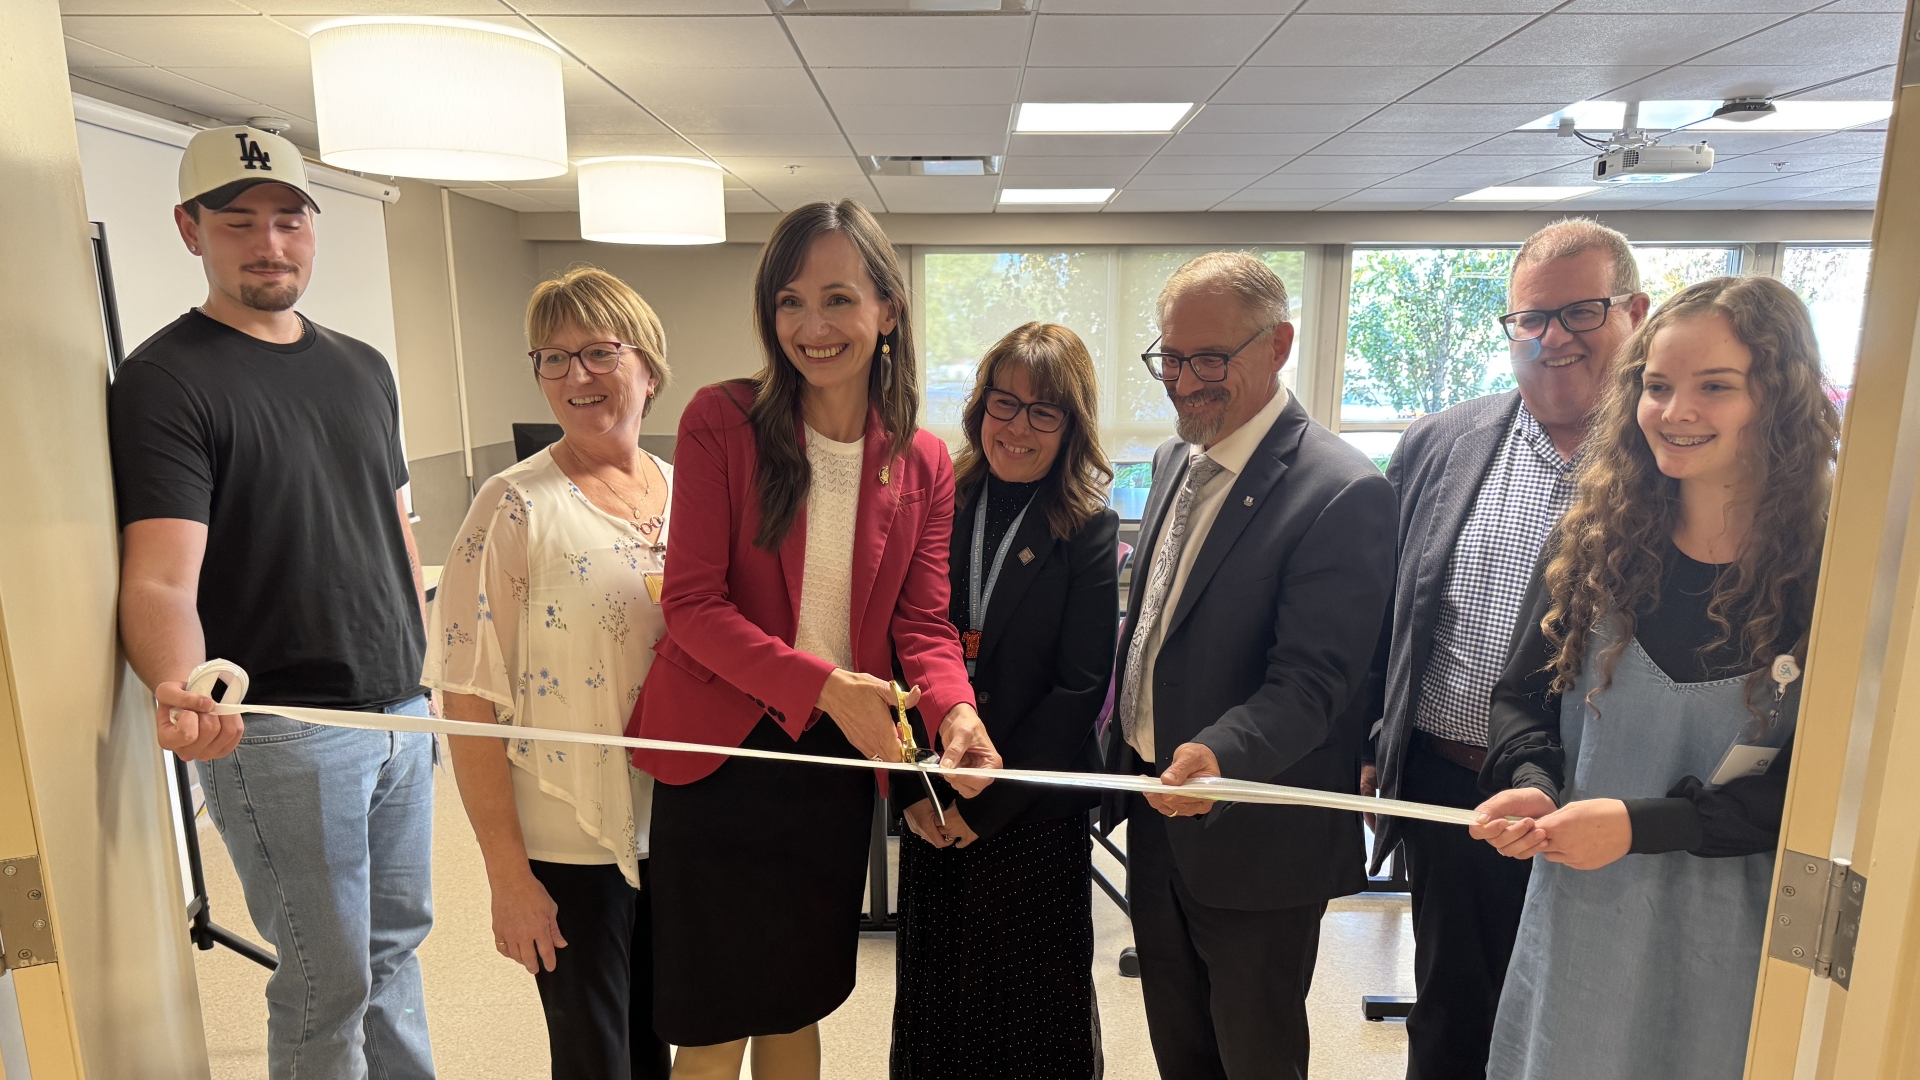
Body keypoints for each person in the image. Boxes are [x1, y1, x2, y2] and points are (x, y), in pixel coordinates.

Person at [627, 199, 1002, 1080]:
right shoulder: (722, 420)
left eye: (838, 298)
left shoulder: (922, 460)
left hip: (829, 768)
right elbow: (692, 603)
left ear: (888, 311)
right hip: (719, 758)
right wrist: (827, 684)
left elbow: (922, 623)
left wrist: (957, 713)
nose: (812, 325)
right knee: (714, 1022)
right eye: (789, 301)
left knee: (796, 1004)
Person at [110, 125, 435, 1078]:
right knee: (327, 982)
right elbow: (160, 574)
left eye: (289, 220)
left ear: (312, 230)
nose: (269, 243)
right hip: (283, 726)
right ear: (189, 230)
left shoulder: (363, 368)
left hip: (400, 713)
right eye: (238, 221)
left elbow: (395, 527)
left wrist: (427, 668)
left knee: (393, 954)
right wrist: (181, 686)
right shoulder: (168, 379)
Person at [1471, 275, 1836, 1080]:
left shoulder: (1834, 574)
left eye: (1717, 387)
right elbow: (1519, 701)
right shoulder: (1594, 542)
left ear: (1779, 397)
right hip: (1582, 925)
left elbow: (1822, 790)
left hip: (1735, 940)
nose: (1675, 412)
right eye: (1657, 385)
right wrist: (1533, 778)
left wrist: (1641, 827)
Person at [1363, 220, 1649, 1080]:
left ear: (1635, 313)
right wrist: (1373, 745)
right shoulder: (1441, 444)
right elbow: (1392, 614)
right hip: (1452, 789)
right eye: (1531, 317)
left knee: (1577, 1018)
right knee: (1451, 1009)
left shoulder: (1667, 456)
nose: (1552, 337)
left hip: (1599, 804)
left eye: (1581, 312)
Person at [1105, 251, 1397, 1080]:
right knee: (1182, 1050)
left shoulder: (1341, 491)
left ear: (1278, 345)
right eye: (1170, 356)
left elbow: (1315, 684)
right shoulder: (1173, 462)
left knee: (1255, 1057)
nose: (1184, 381)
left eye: (1209, 359)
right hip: (1159, 817)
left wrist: (1221, 752)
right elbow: (1156, 627)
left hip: (1258, 840)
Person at [422, 268, 674, 1079]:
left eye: (599, 352)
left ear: (648, 368)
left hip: (674, 817)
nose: (576, 377)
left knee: (665, 1032)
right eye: (553, 359)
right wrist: (506, 875)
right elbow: (465, 696)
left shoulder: (683, 491)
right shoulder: (513, 505)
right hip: (570, 833)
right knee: (597, 1054)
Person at [890, 322, 1119, 1080]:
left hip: (1029, 811)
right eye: (1004, 403)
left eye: (1042, 412)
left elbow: (1079, 688)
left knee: (1028, 1010)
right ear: (980, 404)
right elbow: (893, 648)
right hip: (932, 802)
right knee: (940, 999)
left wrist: (980, 808)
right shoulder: (933, 498)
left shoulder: (1087, 527)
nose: (1017, 427)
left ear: (1071, 425)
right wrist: (908, 794)